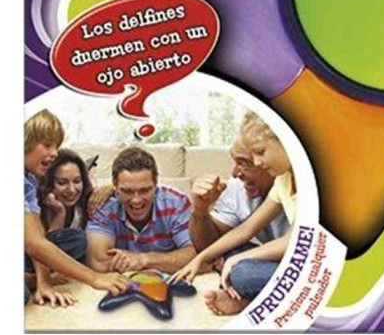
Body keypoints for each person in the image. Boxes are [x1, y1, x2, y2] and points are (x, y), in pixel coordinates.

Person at [171, 113, 296, 317]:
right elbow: (246, 229)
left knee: (243, 272)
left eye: (249, 160)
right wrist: (200, 258)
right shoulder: (282, 181)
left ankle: (248, 301)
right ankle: (248, 297)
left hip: (312, 261)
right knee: (227, 254)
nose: (234, 173)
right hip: (284, 259)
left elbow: (300, 241)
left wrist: (239, 260)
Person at [23, 110, 131, 305]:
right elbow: (35, 244)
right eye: (47, 145)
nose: (54, 153)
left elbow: (38, 239)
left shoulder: (29, 180)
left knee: (76, 239)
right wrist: (94, 278)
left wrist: (44, 284)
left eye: (56, 146)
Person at [85, 146, 197, 276]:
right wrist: (168, 261)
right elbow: (98, 262)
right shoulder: (102, 205)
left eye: (144, 190)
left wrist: (143, 260)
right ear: (115, 186)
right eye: (127, 191)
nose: (136, 200)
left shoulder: (176, 203)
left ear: (156, 184)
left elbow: (198, 256)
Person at [187, 133, 289, 251]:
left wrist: (243, 257)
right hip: (271, 255)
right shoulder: (237, 186)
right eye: (235, 161)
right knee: (226, 250)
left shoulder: (294, 185)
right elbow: (207, 246)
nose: (235, 174)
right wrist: (200, 210)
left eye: (245, 163)